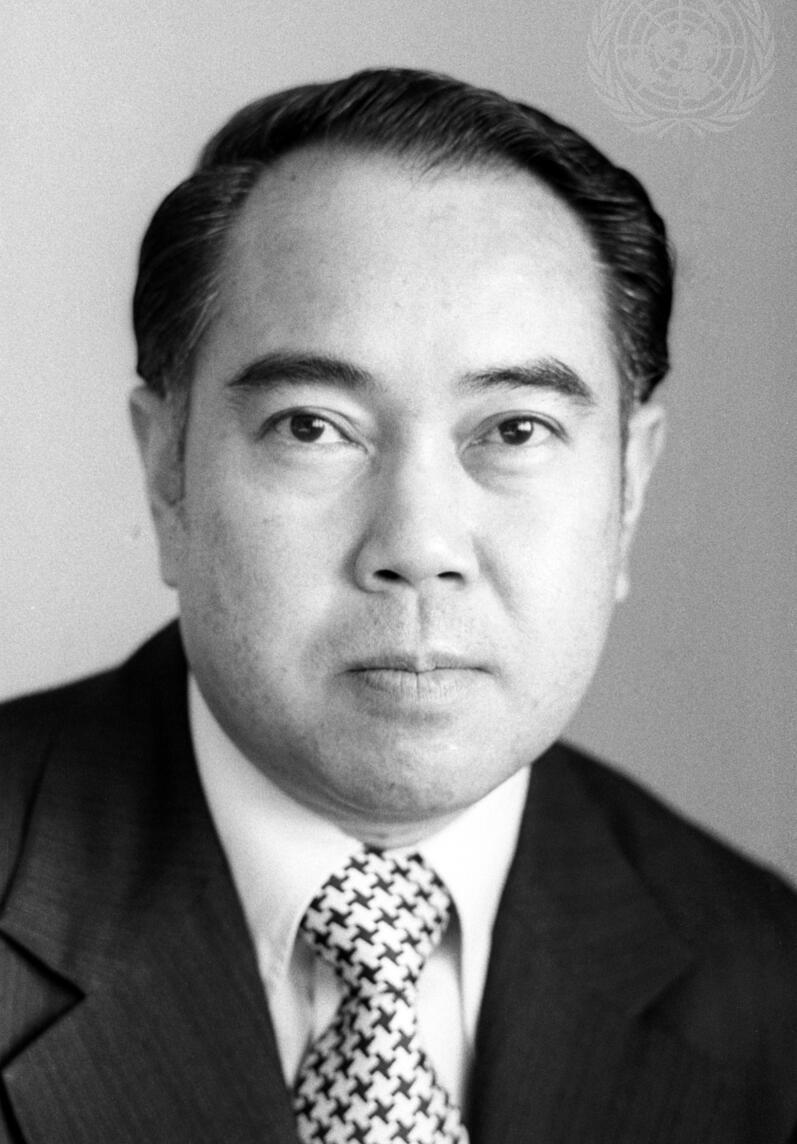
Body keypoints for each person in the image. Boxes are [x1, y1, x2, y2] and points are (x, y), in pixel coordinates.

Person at [1, 68, 795, 1144]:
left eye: (513, 431)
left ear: (627, 490)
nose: (418, 548)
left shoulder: (765, 984)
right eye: (312, 427)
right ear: (166, 476)